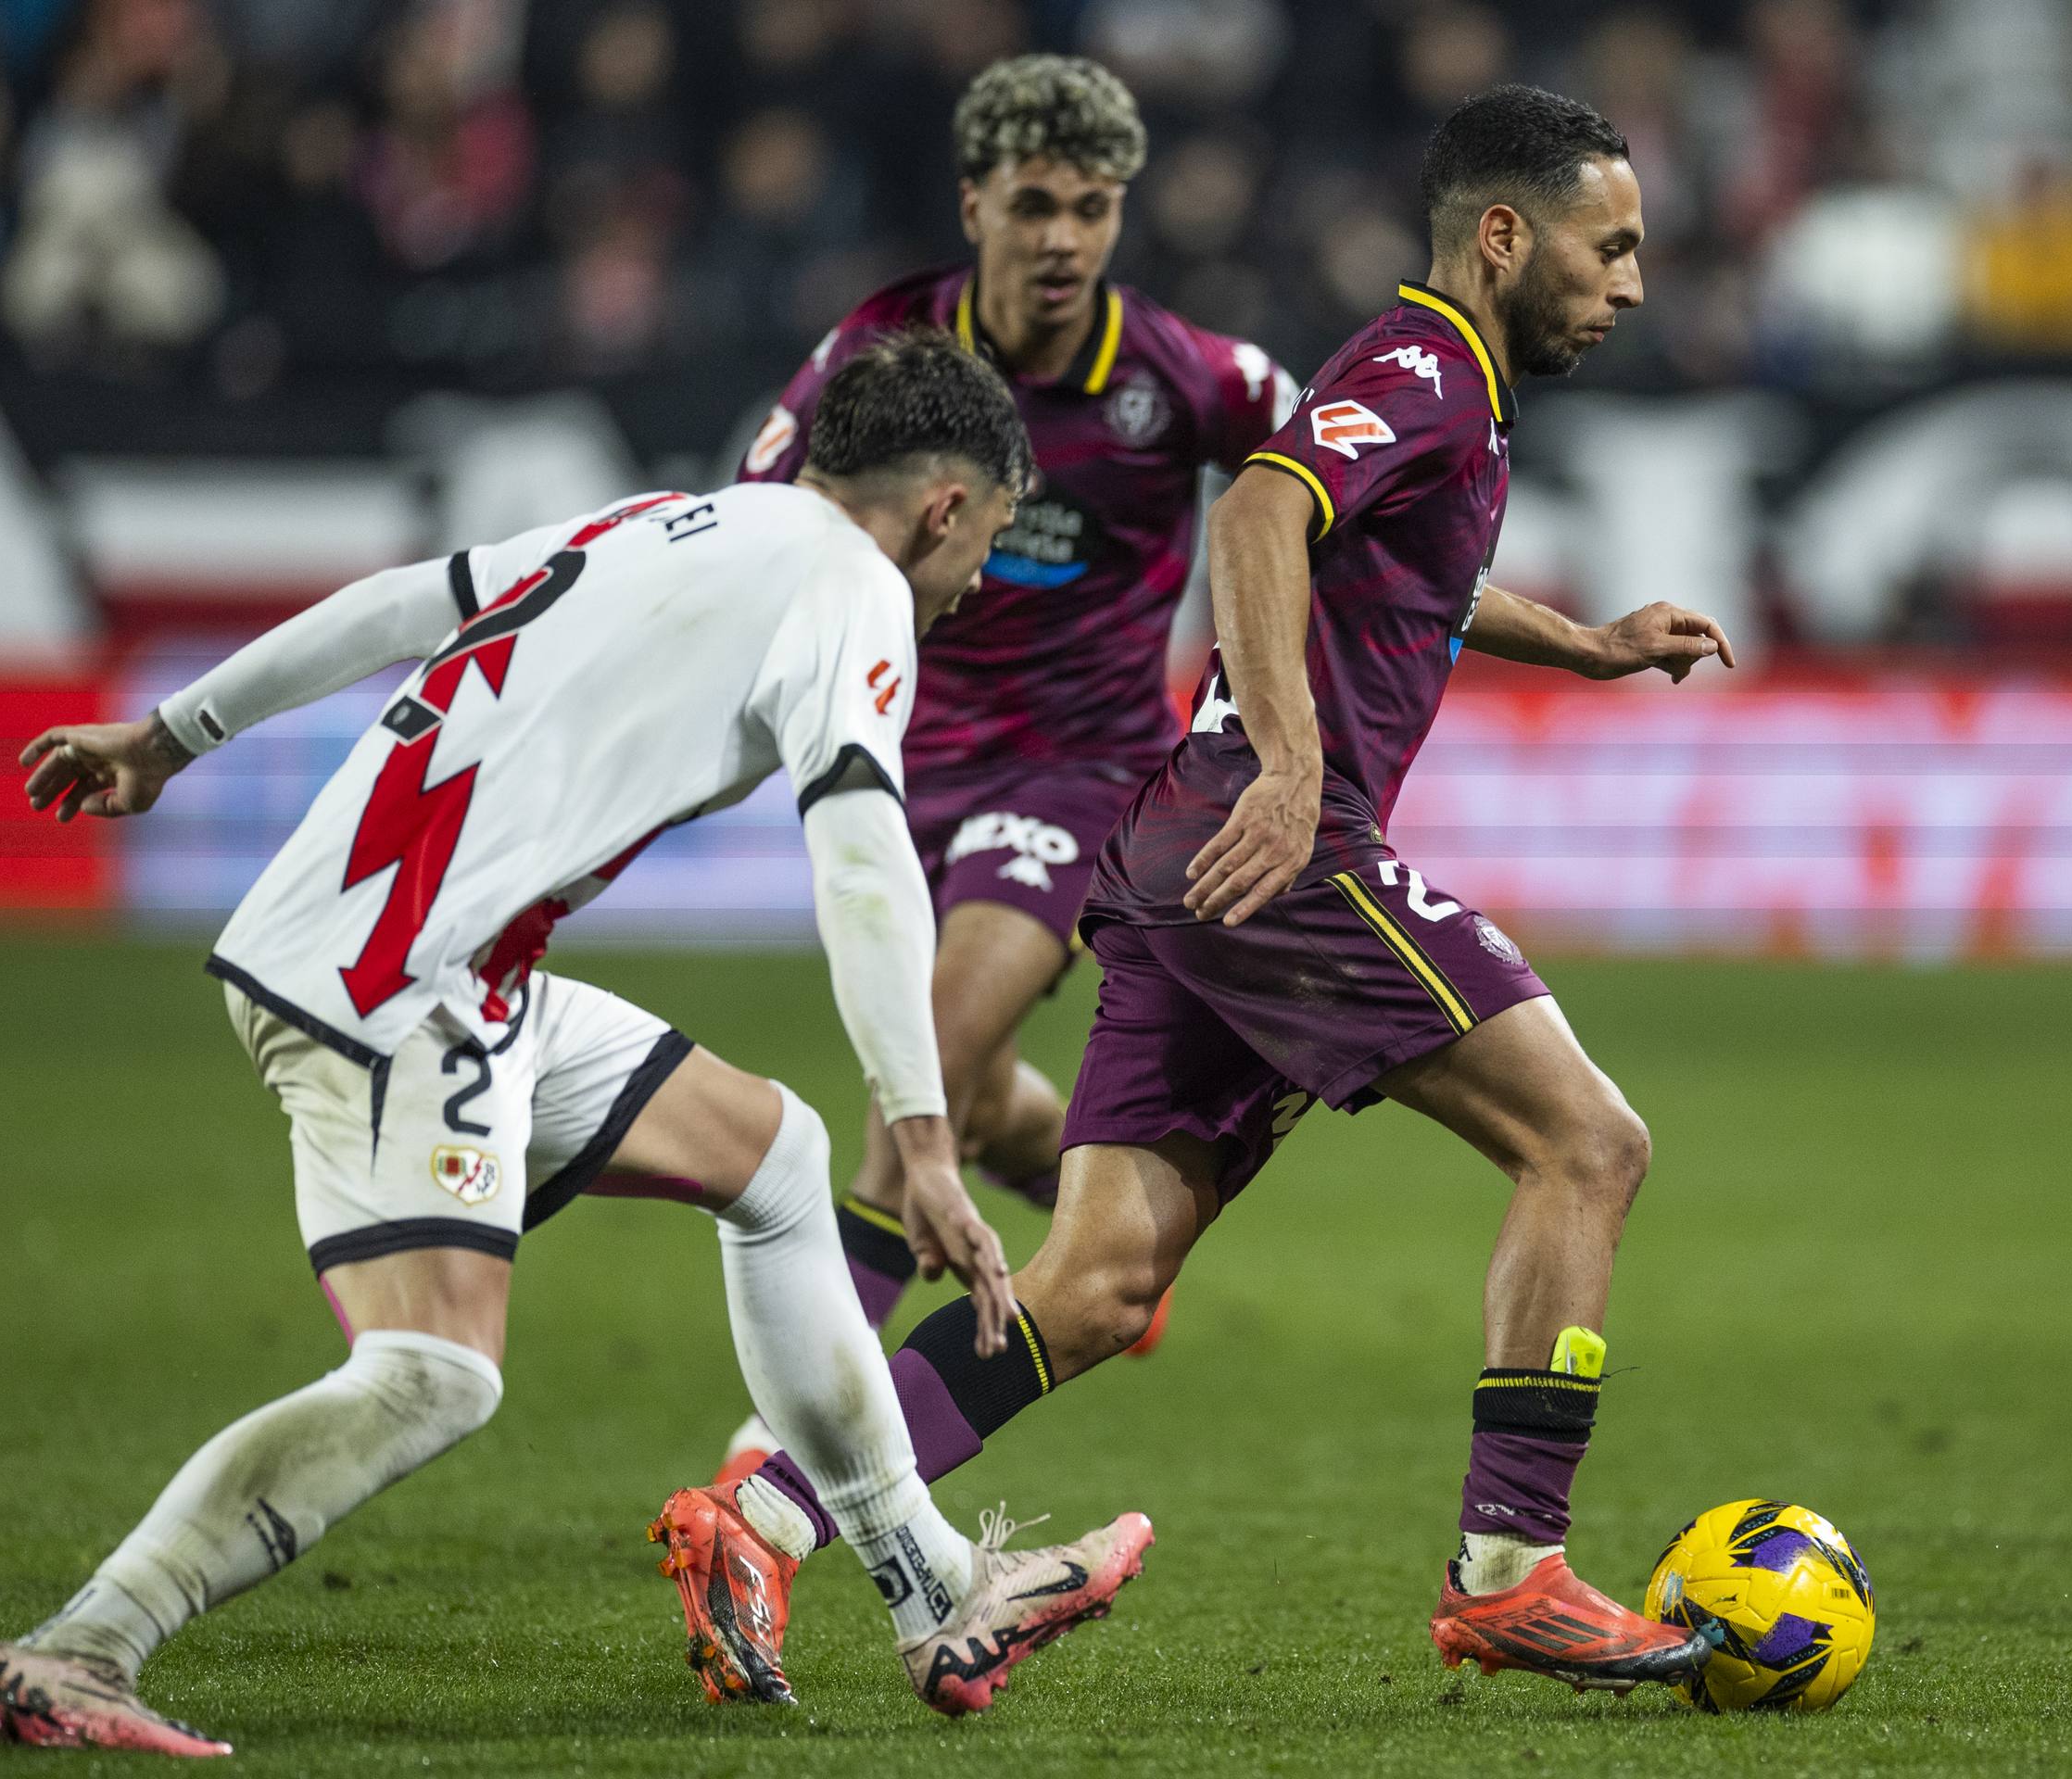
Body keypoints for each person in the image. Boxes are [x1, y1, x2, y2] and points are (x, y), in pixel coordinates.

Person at [0, 333, 1150, 1755]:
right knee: (434, 1377)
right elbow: (862, 853)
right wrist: (930, 1134)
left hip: (438, 964)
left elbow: (405, 602)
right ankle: (79, 1647)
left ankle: (933, 1590)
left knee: (774, 1157)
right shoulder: (854, 587)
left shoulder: (663, 521)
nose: (971, 588)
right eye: (989, 546)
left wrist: (172, 731)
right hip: (402, 982)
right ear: (946, 506)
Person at [728, 84, 1740, 1694]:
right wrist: (1286, 761)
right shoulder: (1423, 365)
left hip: (1183, 853)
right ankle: (1513, 1566)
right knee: (1588, 1144)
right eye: (1608, 246)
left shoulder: (1442, 386)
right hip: (1280, 851)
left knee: (1097, 1283)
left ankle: (763, 1512)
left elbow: (1408, 575)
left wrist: (1594, 643)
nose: (1629, 281)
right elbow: (1265, 511)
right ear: (1504, 233)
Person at [721, 55, 1295, 1396]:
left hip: (1081, 773)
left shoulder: (1180, 377)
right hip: (896, 767)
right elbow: (759, 510)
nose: (1063, 240)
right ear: (974, 201)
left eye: (1092, 209)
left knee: (909, 1081)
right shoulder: (882, 352)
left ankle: (784, 1461)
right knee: (966, 1096)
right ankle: (1103, 1238)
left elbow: (1340, 476)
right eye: (1035, 204)